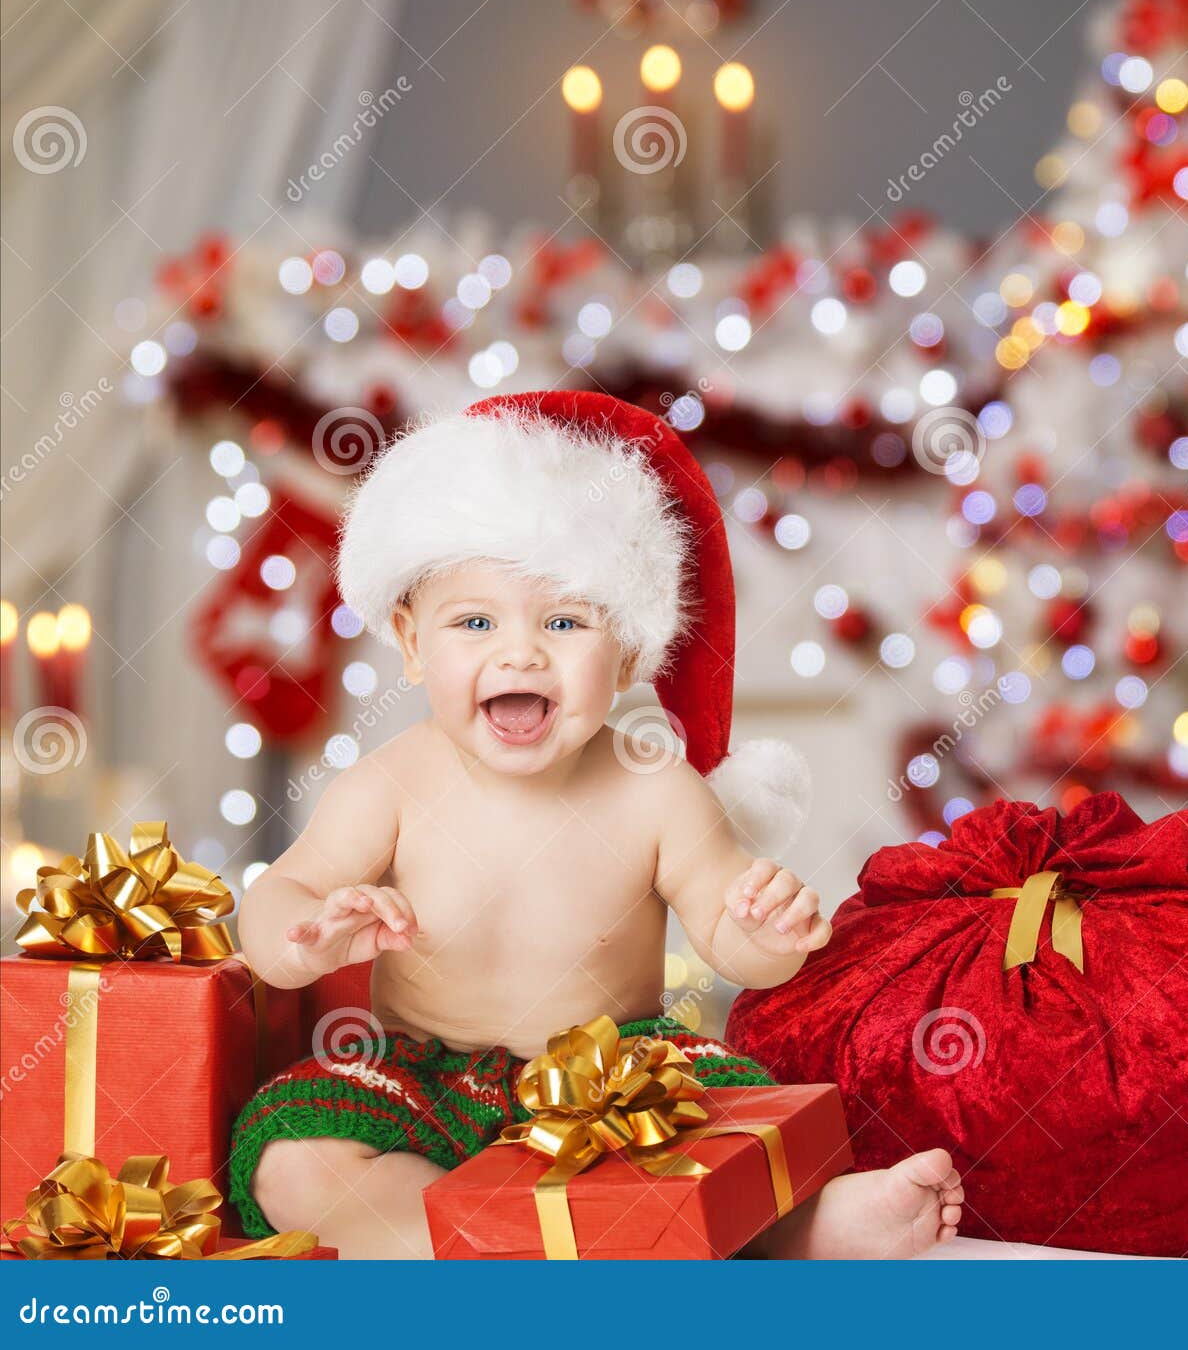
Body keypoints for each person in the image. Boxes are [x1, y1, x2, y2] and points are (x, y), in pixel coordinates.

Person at [230, 389, 963, 1259]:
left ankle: (807, 1227)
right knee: (290, 1157)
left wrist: (769, 927)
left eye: (564, 621)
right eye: (475, 622)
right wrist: (304, 940)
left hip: (618, 1085)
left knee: (731, 1136)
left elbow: (733, 939)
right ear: (412, 641)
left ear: (623, 655)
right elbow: (281, 898)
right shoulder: (389, 785)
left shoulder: (653, 788)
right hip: (425, 1082)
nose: (520, 652)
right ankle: (471, 1238)